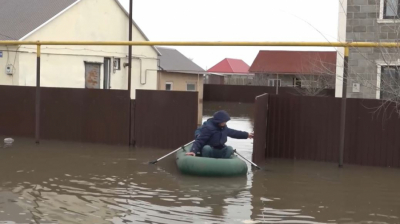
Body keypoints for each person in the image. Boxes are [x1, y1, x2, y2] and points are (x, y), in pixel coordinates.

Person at [186, 110, 254, 158]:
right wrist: (193, 151)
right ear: (218, 121)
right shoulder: (208, 128)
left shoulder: (224, 128)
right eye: (224, 121)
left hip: (220, 149)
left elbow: (234, 133)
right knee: (207, 148)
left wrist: (247, 135)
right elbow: (199, 141)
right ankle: (206, 163)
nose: (225, 123)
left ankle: (224, 164)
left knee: (229, 149)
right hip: (210, 150)